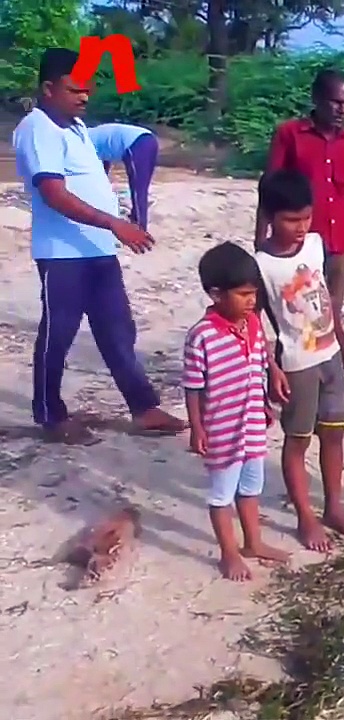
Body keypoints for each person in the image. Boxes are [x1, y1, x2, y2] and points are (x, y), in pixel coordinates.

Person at [10, 48, 186, 445]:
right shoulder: (38, 128)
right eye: (76, 89)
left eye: (88, 89)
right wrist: (114, 222)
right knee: (59, 333)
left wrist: (112, 225)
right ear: (48, 88)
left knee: (117, 330)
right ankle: (49, 414)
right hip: (63, 254)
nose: (85, 97)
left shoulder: (74, 128)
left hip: (97, 251)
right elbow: (54, 193)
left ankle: (144, 408)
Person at [255, 169, 344, 552]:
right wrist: (271, 370)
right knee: (297, 441)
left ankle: (335, 507)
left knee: (334, 433)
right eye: (290, 219)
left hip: (330, 355)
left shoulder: (316, 245)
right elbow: (255, 323)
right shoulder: (261, 265)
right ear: (269, 216)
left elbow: (329, 301)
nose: (301, 227)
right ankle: (305, 517)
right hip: (297, 363)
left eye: (305, 217)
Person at [182, 242, 290, 580]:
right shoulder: (201, 336)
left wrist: (269, 382)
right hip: (222, 428)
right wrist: (197, 428)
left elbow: (259, 360)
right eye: (243, 294)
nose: (251, 301)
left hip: (252, 423)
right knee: (221, 495)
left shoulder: (252, 325)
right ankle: (228, 553)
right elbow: (193, 386)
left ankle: (253, 542)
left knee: (251, 486)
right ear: (216, 294)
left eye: (254, 294)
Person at [255, 68, 344, 315]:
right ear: (317, 98)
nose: (342, 109)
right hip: (300, 246)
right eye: (335, 102)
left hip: (340, 246)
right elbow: (269, 188)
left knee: (332, 316)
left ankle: (333, 355)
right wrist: (260, 243)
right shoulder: (289, 134)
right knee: (297, 317)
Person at [89, 123, 160, 231]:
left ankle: (141, 228)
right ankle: (136, 217)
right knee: (140, 186)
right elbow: (103, 163)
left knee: (138, 189)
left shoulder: (85, 142)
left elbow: (95, 170)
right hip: (149, 139)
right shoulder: (93, 134)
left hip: (136, 144)